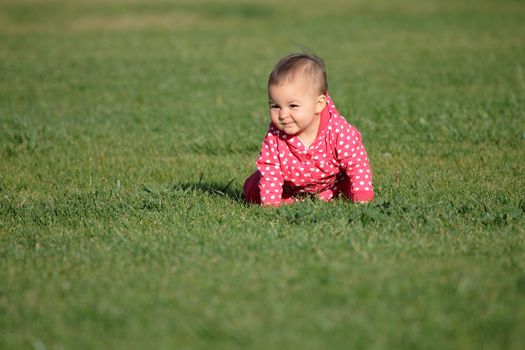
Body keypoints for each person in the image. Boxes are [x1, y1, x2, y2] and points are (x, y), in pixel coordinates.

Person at [243, 53, 374, 207]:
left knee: (349, 188)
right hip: (290, 187)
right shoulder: (275, 136)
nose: (283, 114)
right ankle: (291, 200)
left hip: (332, 185)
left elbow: (356, 162)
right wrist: (271, 204)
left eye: (293, 106)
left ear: (319, 104)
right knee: (253, 191)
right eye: (275, 106)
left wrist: (362, 195)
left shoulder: (338, 130)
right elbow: (271, 169)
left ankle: (326, 197)